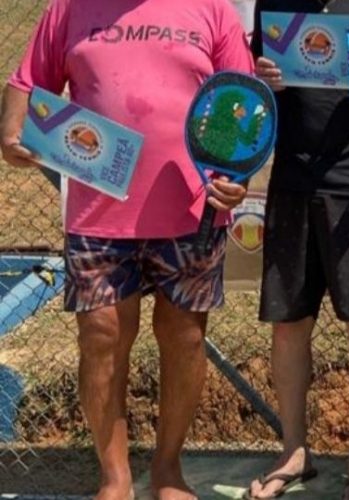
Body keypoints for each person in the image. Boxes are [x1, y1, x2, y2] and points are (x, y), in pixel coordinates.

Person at [0, 1, 253, 498]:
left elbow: (242, 103)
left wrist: (236, 177)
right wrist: (11, 132)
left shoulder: (212, 9)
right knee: (101, 336)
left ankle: (168, 471)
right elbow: (27, 82)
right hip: (98, 212)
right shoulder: (69, 8)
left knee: (184, 338)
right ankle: (114, 478)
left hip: (192, 209)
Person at [244, 1, 349, 498]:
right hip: (291, 182)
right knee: (289, 322)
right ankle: (294, 451)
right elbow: (252, 91)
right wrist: (261, 79)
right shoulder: (273, 4)